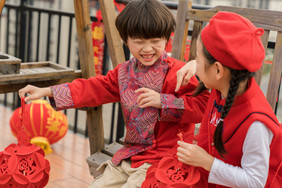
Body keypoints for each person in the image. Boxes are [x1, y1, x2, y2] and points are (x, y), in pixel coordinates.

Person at [19, 0, 209, 187]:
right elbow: (94, 87)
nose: (148, 48)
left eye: (155, 41)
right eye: (139, 41)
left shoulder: (179, 73)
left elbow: (202, 105)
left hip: (165, 159)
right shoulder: (124, 72)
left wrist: (162, 101)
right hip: (130, 154)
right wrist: (48, 91)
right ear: (125, 40)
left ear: (166, 39)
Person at [175, 11, 282, 187]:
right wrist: (195, 65)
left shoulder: (256, 124)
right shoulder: (227, 84)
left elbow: (255, 182)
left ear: (218, 70)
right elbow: (216, 70)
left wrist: (208, 163)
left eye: (198, 58)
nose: (194, 62)